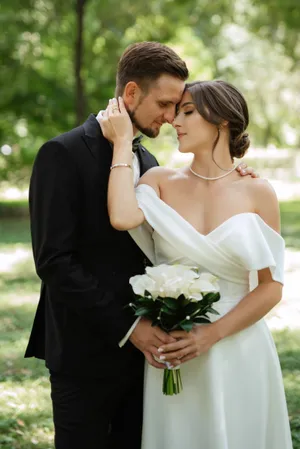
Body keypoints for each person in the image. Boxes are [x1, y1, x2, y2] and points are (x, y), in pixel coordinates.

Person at [25, 41, 257, 449]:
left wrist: (237, 177)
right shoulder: (61, 154)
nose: (170, 118)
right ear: (131, 93)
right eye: (166, 104)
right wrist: (132, 328)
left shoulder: (148, 164)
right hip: (85, 355)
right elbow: (54, 262)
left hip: (146, 362)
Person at [101, 80, 293, 449]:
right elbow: (122, 216)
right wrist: (122, 143)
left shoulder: (258, 191)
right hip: (173, 349)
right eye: (177, 112)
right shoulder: (159, 180)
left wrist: (212, 333)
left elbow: (271, 287)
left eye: (187, 111)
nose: (175, 120)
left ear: (222, 120)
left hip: (239, 346)